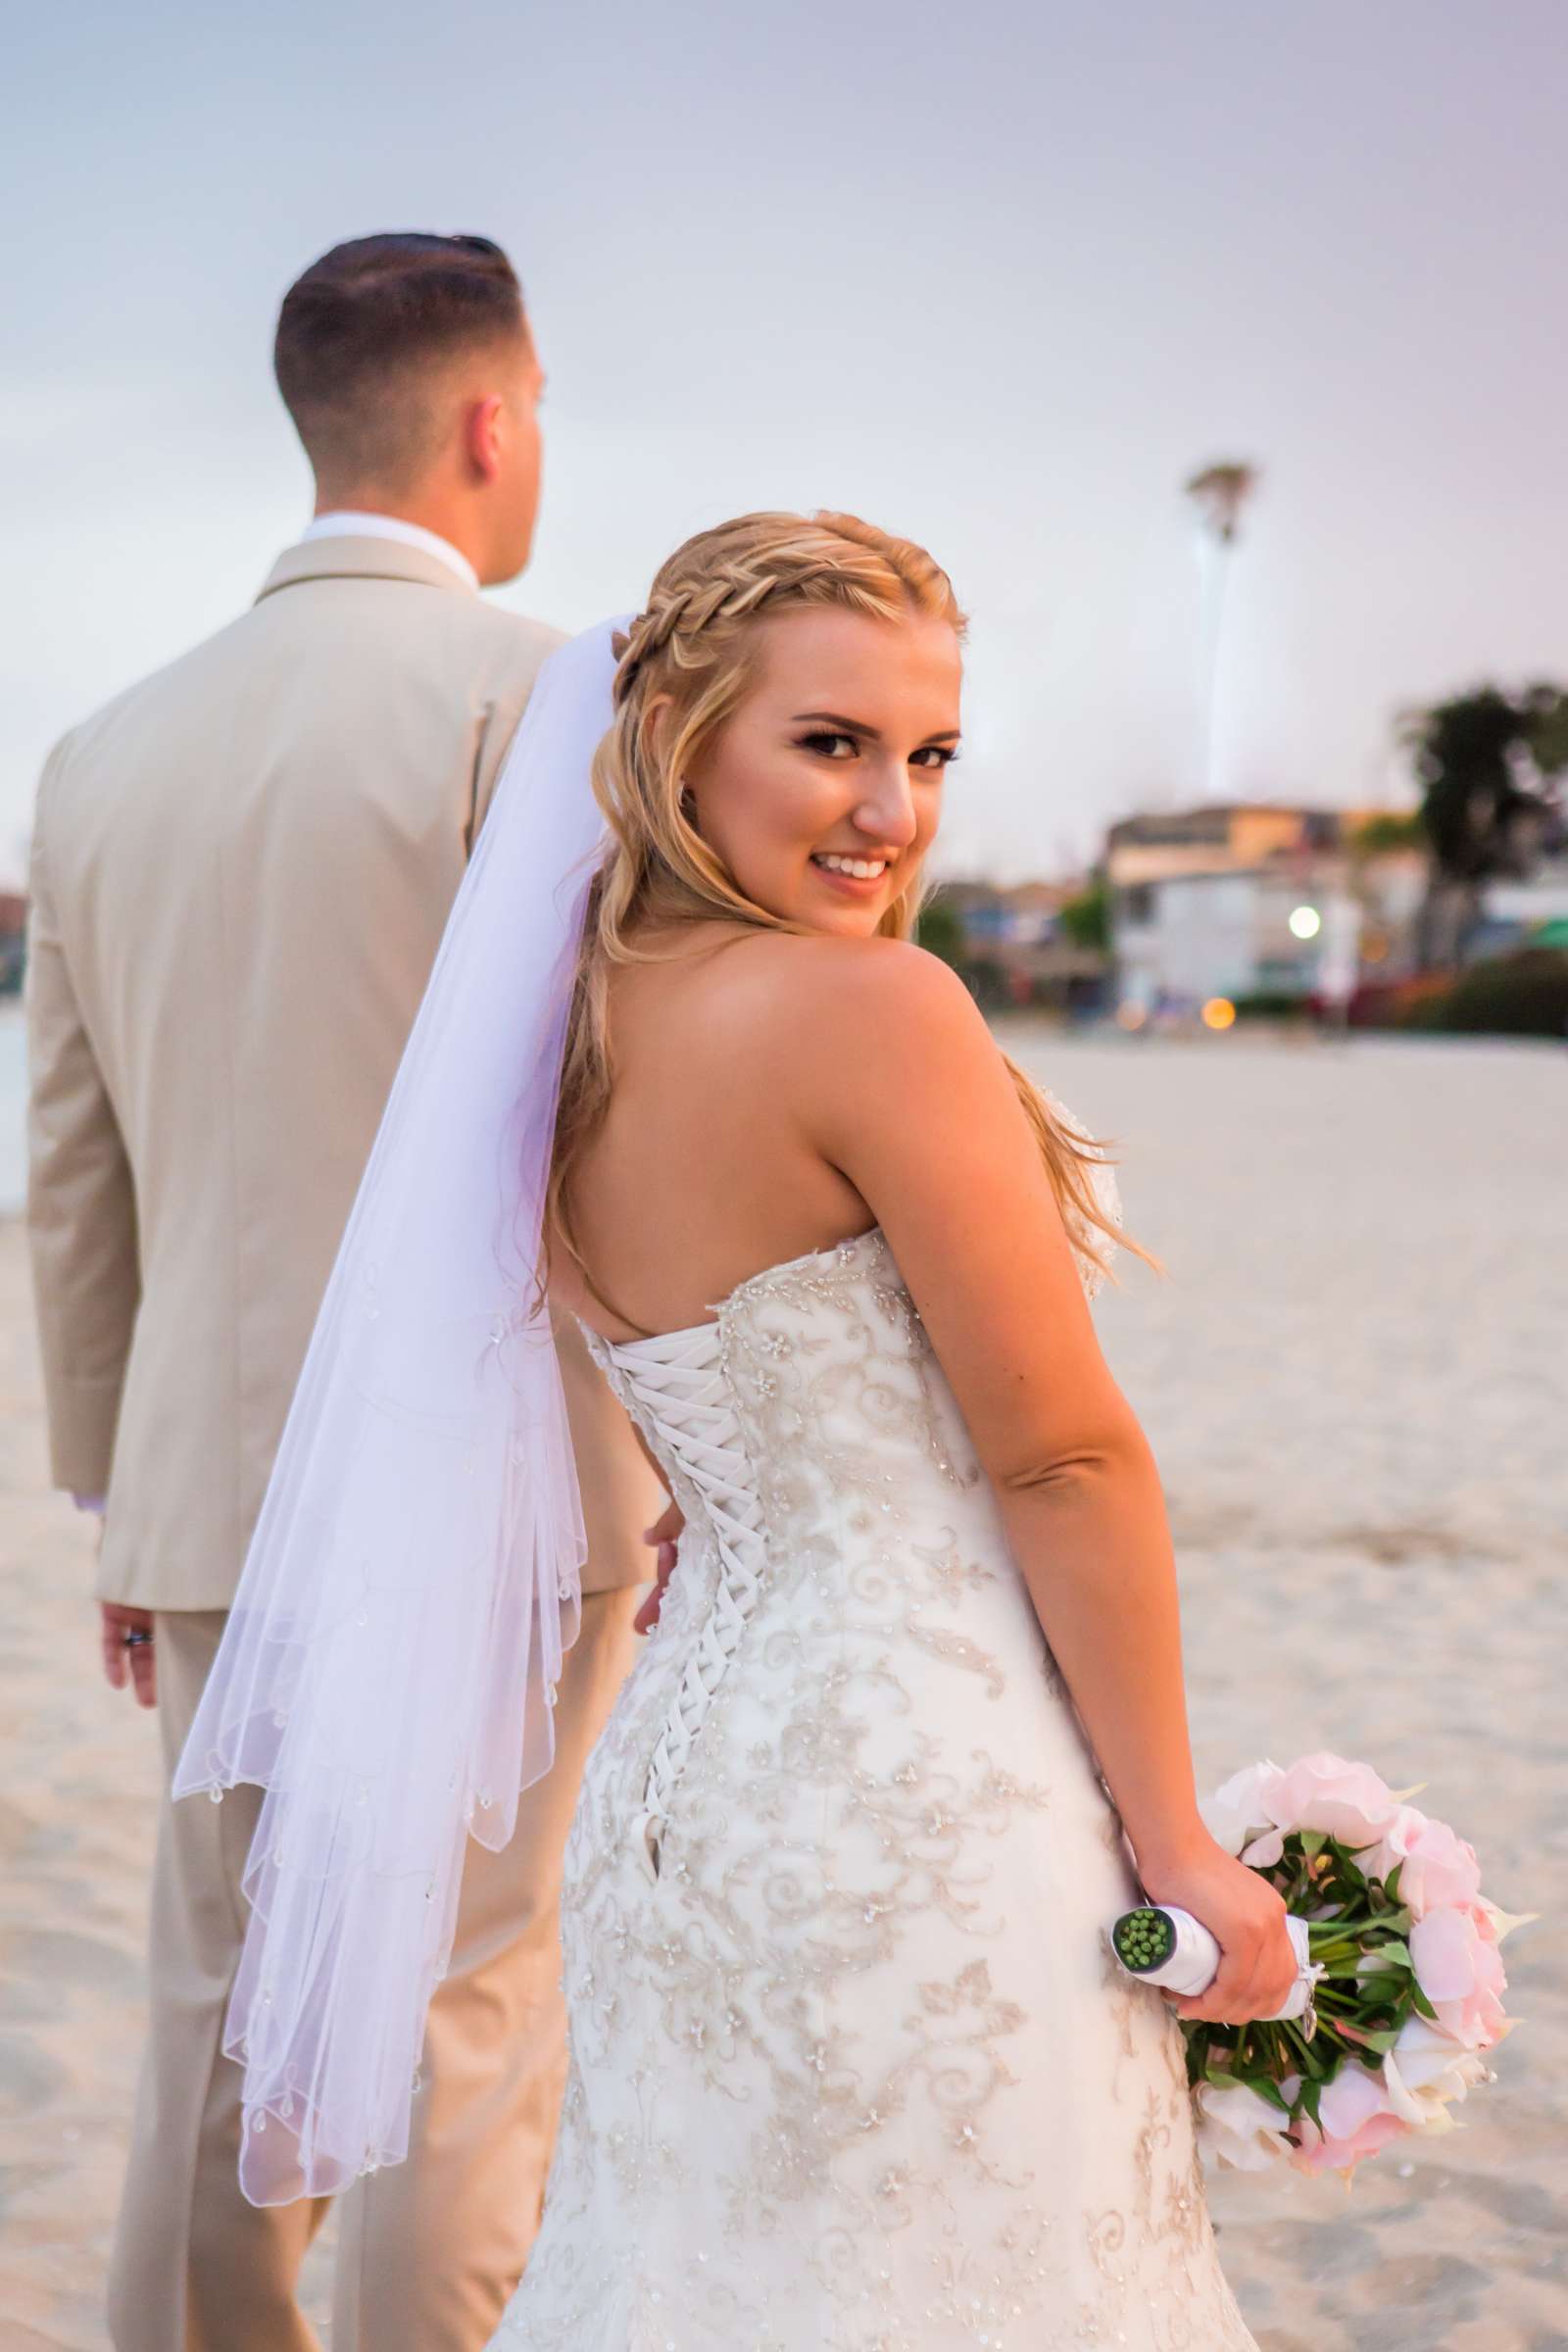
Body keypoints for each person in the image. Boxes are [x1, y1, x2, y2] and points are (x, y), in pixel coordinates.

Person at [186, 510, 1301, 2346]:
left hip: (683, 1799)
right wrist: (1178, 1843)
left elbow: (682, 1385)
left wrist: (751, 1488)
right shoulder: (876, 1010)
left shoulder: (560, 1040)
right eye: (832, 743)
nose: (894, 812)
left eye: (930, 754)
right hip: (920, 1792)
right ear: (678, 736)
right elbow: (1062, 1457)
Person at [24, 231, 662, 2352]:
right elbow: (608, 1105)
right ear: (494, 418)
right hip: (501, 1483)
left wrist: (118, 1491)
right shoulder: (545, 692)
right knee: (463, 1989)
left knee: (221, 1990)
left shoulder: (102, 754)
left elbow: (72, 1173)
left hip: (211, 1479)